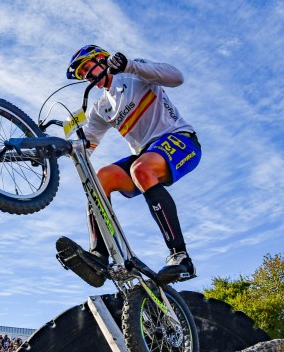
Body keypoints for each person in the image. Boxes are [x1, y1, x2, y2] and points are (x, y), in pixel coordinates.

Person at [56, 45, 201, 283]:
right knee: (101, 178)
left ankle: (181, 257)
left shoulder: (133, 73)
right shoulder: (102, 107)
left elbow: (177, 78)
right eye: (82, 75)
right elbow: (85, 148)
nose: (87, 77)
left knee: (140, 168)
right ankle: (99, 256)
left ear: (102, 59)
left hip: (181, 140)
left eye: (87, 68)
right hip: (146, 154)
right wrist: (50, 154)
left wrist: (131, 65)